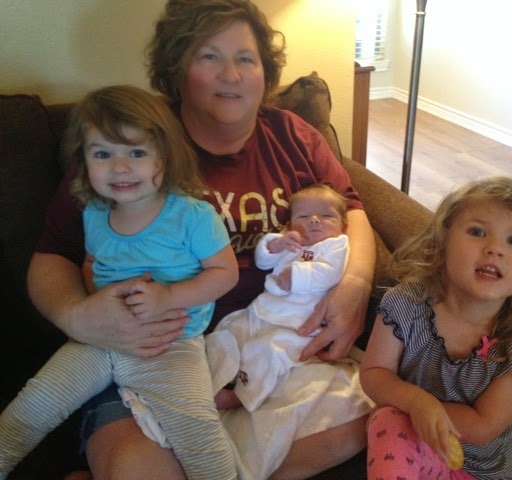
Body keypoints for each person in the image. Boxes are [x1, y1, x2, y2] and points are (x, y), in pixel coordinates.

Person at [26, 1, 375, 479]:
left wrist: (355, 287)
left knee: (367, 423)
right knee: (139, 471)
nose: (231, 75)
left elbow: (353, 208)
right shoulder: (132, 147)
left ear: (265, 71)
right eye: (209, 56)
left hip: (273, 346)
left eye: (246, 58)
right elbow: (53, 254)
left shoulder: (293, 136)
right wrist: (76, 316)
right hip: (155, 350)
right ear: (177, 68)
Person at [0, 85, 239, 480]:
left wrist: (168, 296)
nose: (120, 167)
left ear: (166, 156)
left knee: (198, 432)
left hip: (172, 344)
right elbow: (92, 262)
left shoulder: (193, 216)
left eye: (136, 153)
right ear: (83, 161)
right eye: (102, 154)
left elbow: (225, 273)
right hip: (99, 342)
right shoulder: (93, 213)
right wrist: (94, 306)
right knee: (32, 406)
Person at [360, 177, 512, 480]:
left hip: (480, 471)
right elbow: (374, 373)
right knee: (388, 418)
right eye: (478, 232)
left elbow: (484, 425)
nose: (494, 249)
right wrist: (415, 403)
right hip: (411, 443)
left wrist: (430, 411)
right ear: (442, 246)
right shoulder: (404, 305)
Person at [210, 183, 350, 412]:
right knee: (230, 329)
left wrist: (297, 275)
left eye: (326, 216)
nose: (314, 221)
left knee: (270, 351)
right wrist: (275, 244)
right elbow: (263, 262)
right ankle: (214, 377)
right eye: (304, 216)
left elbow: (331, 272)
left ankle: (242, 395)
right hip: (263, 311)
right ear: (290, 224)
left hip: (298, 326)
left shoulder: (337, 245)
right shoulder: (291, 242)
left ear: (343, 225)